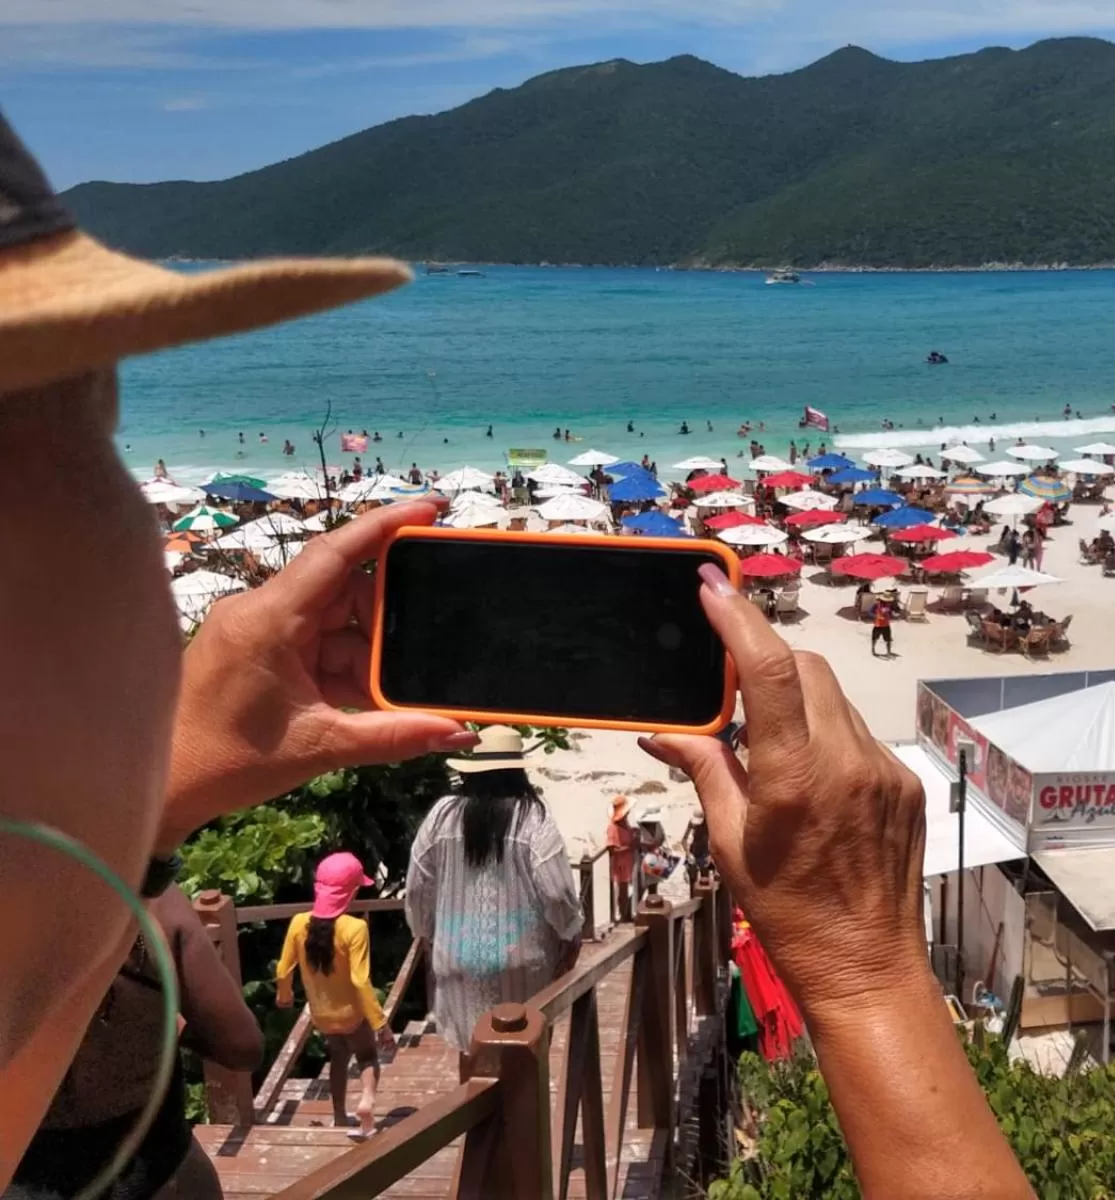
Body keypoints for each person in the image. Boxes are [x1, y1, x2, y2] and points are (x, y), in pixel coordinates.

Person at [0, 110, 1029, 1199]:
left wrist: (154, 796)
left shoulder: (438, 824)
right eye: (93, 436)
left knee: (481, 1078)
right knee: (513, 1094)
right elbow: (556, 902)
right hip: (524, 994)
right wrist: (868, 979)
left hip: (449, 986)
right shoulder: (522, 824)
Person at [9, 885, 261, 1200]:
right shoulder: (153, 898)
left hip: (25, 1178)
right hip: (160, 1174)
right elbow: (242, 1046)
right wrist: (171, 1025)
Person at [404, 726, 583, 1068]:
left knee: (471, 1053)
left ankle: (477, 1119)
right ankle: (524, 1121)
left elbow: (417, 886)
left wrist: (426, 931)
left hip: (456, 956)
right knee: (524, 1059)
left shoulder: (442, 815)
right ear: (518, 770)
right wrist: (570, 934)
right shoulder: (534, 817)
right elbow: (558, 893)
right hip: (524, 961)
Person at [276, 852, 395, 1140]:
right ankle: (366, 1100)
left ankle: (340, 1116)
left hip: (322, 1016)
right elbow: (360, 980)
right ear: (353, 891)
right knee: (367, 1056)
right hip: (352, 1014)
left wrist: (285, 995)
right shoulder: (355, 928)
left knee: (338, 1057)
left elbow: (282, 969)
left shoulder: (298, 923)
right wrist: (380, 1023)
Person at [605, 795, 637, 922]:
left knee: (628, 889)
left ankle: (626, 914)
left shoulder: (625, 823)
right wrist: (629, 847)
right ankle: (623, 916)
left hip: (628, 862)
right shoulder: (612, 828)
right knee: (622, 891)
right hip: (621, 864)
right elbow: (611, 849)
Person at [871, 593, 895, 658]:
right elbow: (870, 612)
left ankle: (888, 651)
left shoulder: (889, 605)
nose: (888, 602)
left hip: (886, 625)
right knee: (874, 638)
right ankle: (873, 649)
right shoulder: (876, 605)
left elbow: (890, 613)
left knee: (888, 640)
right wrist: (876, 616)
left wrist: (891, 615)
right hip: (878, 625)